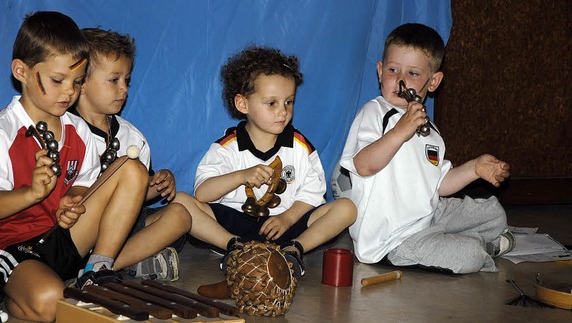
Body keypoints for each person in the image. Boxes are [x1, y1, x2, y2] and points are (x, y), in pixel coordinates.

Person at [0, 12, 148, 322]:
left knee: (130, 169)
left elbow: (85, 183)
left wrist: (73, 199)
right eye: (57, 80)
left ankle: (97, 269)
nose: (69, 92)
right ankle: (4, 299)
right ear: (21, 71)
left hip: (61, 237)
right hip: (10, 244)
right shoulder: (1, 132)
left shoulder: (78, 130)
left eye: (77, 82)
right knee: (51, 302)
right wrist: (32, 193)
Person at [337, 23, 514, 274]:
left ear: (433, 82)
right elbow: (363, 166)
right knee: (469, 255)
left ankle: (462, 239)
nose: (400, 80)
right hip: (393, 238)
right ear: (379, 71)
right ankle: (479, 246)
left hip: (428, 215)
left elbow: (440, 184)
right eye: (392, 70)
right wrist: (399, 132)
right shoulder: (375, 113)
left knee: (492, 213)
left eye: (413, 74)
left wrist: (475, 168)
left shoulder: (430, 129)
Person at [175, 46, 357, 279]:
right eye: (272, 103)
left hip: (284, 227)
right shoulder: (226, 148)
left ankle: (294, 251)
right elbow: (202, 193)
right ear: (243, 104)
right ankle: (234, 249)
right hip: (235, 225)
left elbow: (313, 194)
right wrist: (241, 176)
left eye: (288, 102)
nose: (283, 112)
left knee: (346, 208)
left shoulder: (300, 147)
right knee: (181, 201)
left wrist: (287, 218)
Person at [69, 27, 192, 281]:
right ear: (81, 82)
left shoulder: (131, 135)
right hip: (78, 228)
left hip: (121, 229)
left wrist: (158, 184)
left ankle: (101, 267)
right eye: (114, 80)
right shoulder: (65, 131)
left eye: (127, 80)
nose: (123, 89)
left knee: (181, 215)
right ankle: (116, 262)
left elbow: (139, 195)